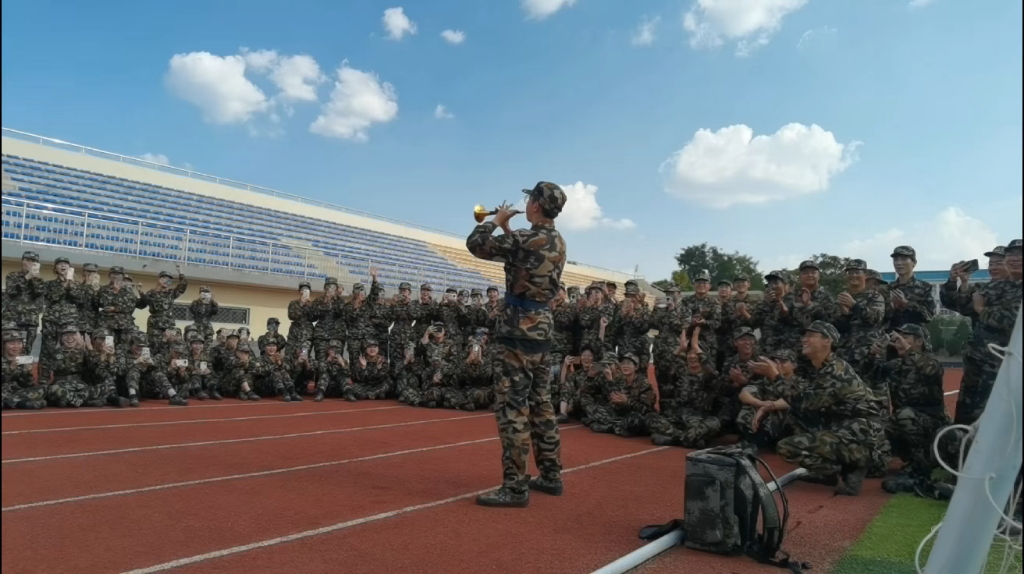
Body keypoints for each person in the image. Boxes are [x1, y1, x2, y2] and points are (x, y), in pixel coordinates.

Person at [466, 181, 567, 508]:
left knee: (512, 409)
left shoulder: (525, 238)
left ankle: (515, 487)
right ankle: (551, 476)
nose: (525, 203)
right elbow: (523, 257)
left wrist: (494, 222)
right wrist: (509, 227)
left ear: (536, 205)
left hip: (517, 332)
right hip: (541, 331)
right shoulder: (558, 241)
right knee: (542, 405)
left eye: (529, 199)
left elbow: (476, 245)